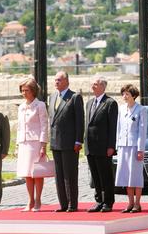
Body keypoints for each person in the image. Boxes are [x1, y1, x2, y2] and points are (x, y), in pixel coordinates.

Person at [48, 71, 84, 212]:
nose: (56, 82)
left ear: (67, 81)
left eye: (59, 80)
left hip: (70, 143)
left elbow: (79, 121)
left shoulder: (74, 97)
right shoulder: (52, 97)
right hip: (56, 142)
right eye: (55, 80)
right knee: (59, 175)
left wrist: (78, 141)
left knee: (70, 175)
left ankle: (72, 204)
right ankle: (63, 203)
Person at [85, 75, 118, 213]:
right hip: (90, 146)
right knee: (95, 176)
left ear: (103, 86)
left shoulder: (110, 103)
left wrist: (111, 146)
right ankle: (98, 200)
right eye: (92, 84)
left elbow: (113, 127)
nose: (92, 86)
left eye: (95, 84)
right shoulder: (89, 103)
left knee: (105, 175)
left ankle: (108, 202)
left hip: (104, 146)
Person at [16, 77, 48, 212]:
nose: (24, 93)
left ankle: (38, 199)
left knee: (36, 173)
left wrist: (43, 145)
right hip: (24, 143)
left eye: (26, 90)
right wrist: (17, 145)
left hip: (36, 143)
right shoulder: (21, 107)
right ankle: (30, 200)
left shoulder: (40, 105)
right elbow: (19, 127)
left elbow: (44, 126)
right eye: (22, 91)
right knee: (26, 173)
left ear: (33, 91)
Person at [115, 84, 148, 213]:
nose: (124, 96)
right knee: (126, 175)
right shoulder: (121, 109)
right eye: (123, 93)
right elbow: (118, 128)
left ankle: (137, 203)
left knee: (136, 176)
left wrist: (141, 149)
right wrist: (117, 145)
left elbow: (142, 131)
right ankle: (130, 203)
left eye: (127, 94)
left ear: (133, 95)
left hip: (135, 147)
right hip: (124, 146)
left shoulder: (141, 109)